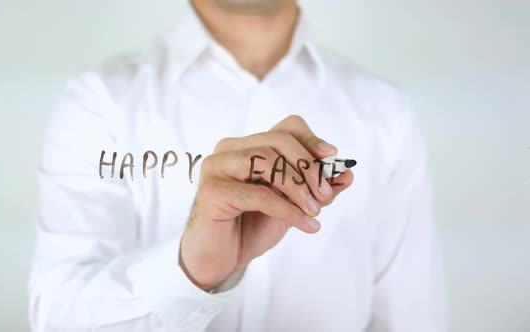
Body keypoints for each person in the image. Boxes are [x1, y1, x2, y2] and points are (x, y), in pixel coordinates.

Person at [29, 0, 446, 331]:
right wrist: (191, 272)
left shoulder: (385, 115)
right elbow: (58, 318)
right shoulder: (100, 104)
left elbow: (414, 320)